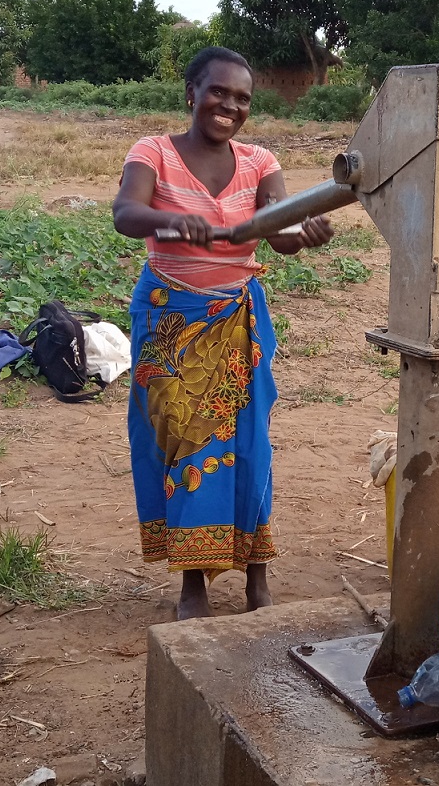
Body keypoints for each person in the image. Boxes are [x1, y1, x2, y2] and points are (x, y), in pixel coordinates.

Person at [112, 46, 333, 619]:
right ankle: (194, 583)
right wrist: (168, 219)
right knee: (185, 446)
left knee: (249, 443)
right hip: (168, 318)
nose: (230, 105)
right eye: (219, 92)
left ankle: (256, 573)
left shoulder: (261, 162)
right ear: (191, 93)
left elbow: (275, 231)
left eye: (242, 98)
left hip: (238, 315)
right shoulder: (153, 153)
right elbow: (125, 213)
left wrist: (303, 234)